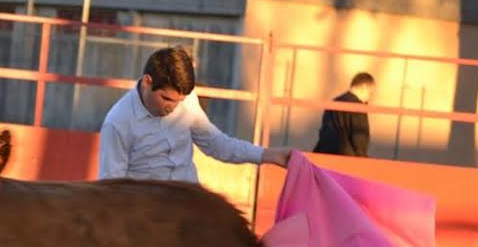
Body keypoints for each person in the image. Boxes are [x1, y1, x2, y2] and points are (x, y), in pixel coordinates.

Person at [97, 46, 293, 182]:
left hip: (189, 202)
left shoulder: (188, 100)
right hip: (147, 215)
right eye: (166, 99)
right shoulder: (118, 122)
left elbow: (217, 144)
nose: (173, 107)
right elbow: (112, 188)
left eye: (179, 101)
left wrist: (269, 155)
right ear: (147, 82)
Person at [312, 72, 376, 157]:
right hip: (347, 159)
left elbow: (324, 133)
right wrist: (362, 159)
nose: (370, 98)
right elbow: (360, 139)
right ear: (365, 87)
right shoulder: (358, 107)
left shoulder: (334, 102)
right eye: (371, 93)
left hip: (326, 156)